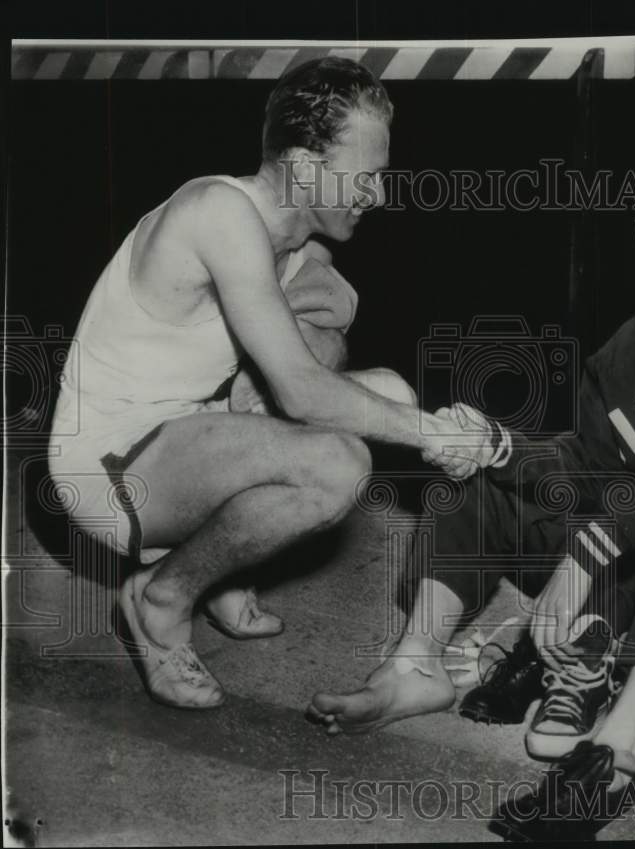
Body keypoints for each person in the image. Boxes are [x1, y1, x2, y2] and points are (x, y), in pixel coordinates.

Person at [308, 152, 635, 840]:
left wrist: (586, 555)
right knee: (476, 477)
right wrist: (496, 445)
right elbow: (583, 463)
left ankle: (618, 750)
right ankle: (416, 665)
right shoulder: (631, 346)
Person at [48, 57, 491, 711]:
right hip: (111, 464)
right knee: (336, 464)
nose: (378, 194)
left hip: (186, 434)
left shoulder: (296, 248)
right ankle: (162, 597)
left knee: (389, 389)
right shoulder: (219, 211)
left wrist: (337, 341)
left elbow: (319, 347)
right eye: (365, 176)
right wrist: (434, 433)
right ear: (309, 168)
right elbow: (304, 392)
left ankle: (220, 562)